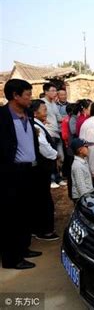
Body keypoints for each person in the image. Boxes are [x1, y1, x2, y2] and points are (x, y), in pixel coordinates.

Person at [0, 79, 41, 269]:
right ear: (15, 96)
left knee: (26, 212)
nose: (30, 98)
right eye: (28, 95)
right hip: (11, 173)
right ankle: (10, 258)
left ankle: (23, 248)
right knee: (11, 216)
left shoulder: (28, 114)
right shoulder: (2, 117)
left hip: (29, 170)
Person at [31, 99, 59, 241]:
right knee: (43, 199)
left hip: (41, 167)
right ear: (35, 113)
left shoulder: (38, 125)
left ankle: (38, 228)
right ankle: (44, 230)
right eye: (44, 110)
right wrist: (55, 155)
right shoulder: (36, 127)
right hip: (41, 168)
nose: (46, 112)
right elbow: (43, 146)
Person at [41, 83, 65, 188]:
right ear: (46, 91)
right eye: (53, 90)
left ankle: (58, 178)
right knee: (51, 157)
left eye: (56, 91)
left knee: (60, 157)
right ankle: (51, 180)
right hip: (48, 132)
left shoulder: (54, 104)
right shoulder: (42, 103)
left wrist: (70, 116)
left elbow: (59, 118)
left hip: (57, 133)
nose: (55, 93)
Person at [70, 138, 94, 203]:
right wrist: (87, 200)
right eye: (86, 147)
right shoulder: (77, 166)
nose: (88, 149)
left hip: (86, 194)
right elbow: (81, 186)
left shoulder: (83, 161)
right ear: (80, 150)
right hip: (81, 198)